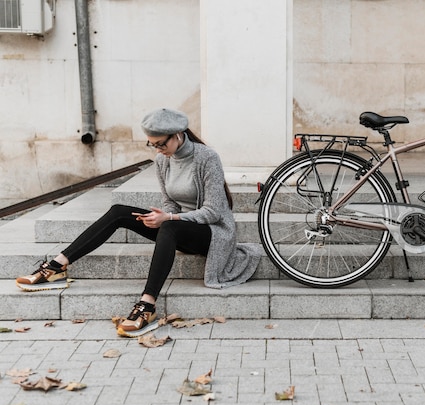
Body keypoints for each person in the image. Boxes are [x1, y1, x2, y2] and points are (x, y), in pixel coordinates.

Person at [15, 108, 261, 335]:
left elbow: (214, 212)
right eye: (151, 144)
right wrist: (161, 216)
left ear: (177, 134)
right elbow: (170, 203)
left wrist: (170, 218)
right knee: (119, 212)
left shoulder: (207, 158)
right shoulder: (163, 160)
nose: (157, 150)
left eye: (160, 144)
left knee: (169, 226)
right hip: (178, 227)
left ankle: (147, 305)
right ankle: (57, 266)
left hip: (212, 233)